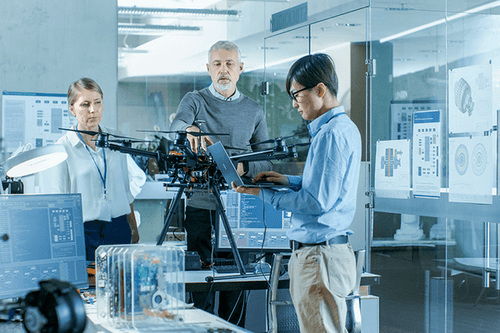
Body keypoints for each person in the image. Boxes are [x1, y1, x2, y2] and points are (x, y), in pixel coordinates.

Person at [232, 53, 362, 333]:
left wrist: (261, 194)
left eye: (296, 94)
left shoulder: (330, 134)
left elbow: (316, 202)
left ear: (320, 90)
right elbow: (326, 187)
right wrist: (288, 181)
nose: (293, 104)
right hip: (326, 256)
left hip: (318, 260)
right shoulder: (342, 128)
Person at [169, 40, 272, 325]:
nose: (223, 70)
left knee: (234, 289)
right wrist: (189, 129)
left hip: (240, 208)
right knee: (200, 286)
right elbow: (177, 126)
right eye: (217, 64)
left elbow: (268, 160)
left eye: (229, 64)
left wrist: (243, 165)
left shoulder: (253, 110)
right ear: (208, 69)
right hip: (201, 206)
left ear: (240, 68)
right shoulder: (194, 100)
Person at [40, 78, 140, 262]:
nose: (93, 110)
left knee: (120, 284)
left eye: (97, 103)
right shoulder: (62, 148)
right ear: (72, 108)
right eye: (85, 104)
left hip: (118, 227)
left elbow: (126, 191)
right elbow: (59, 203)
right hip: (85, 230)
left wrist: (133, 227)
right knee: (90, 286)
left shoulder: (116, 138)